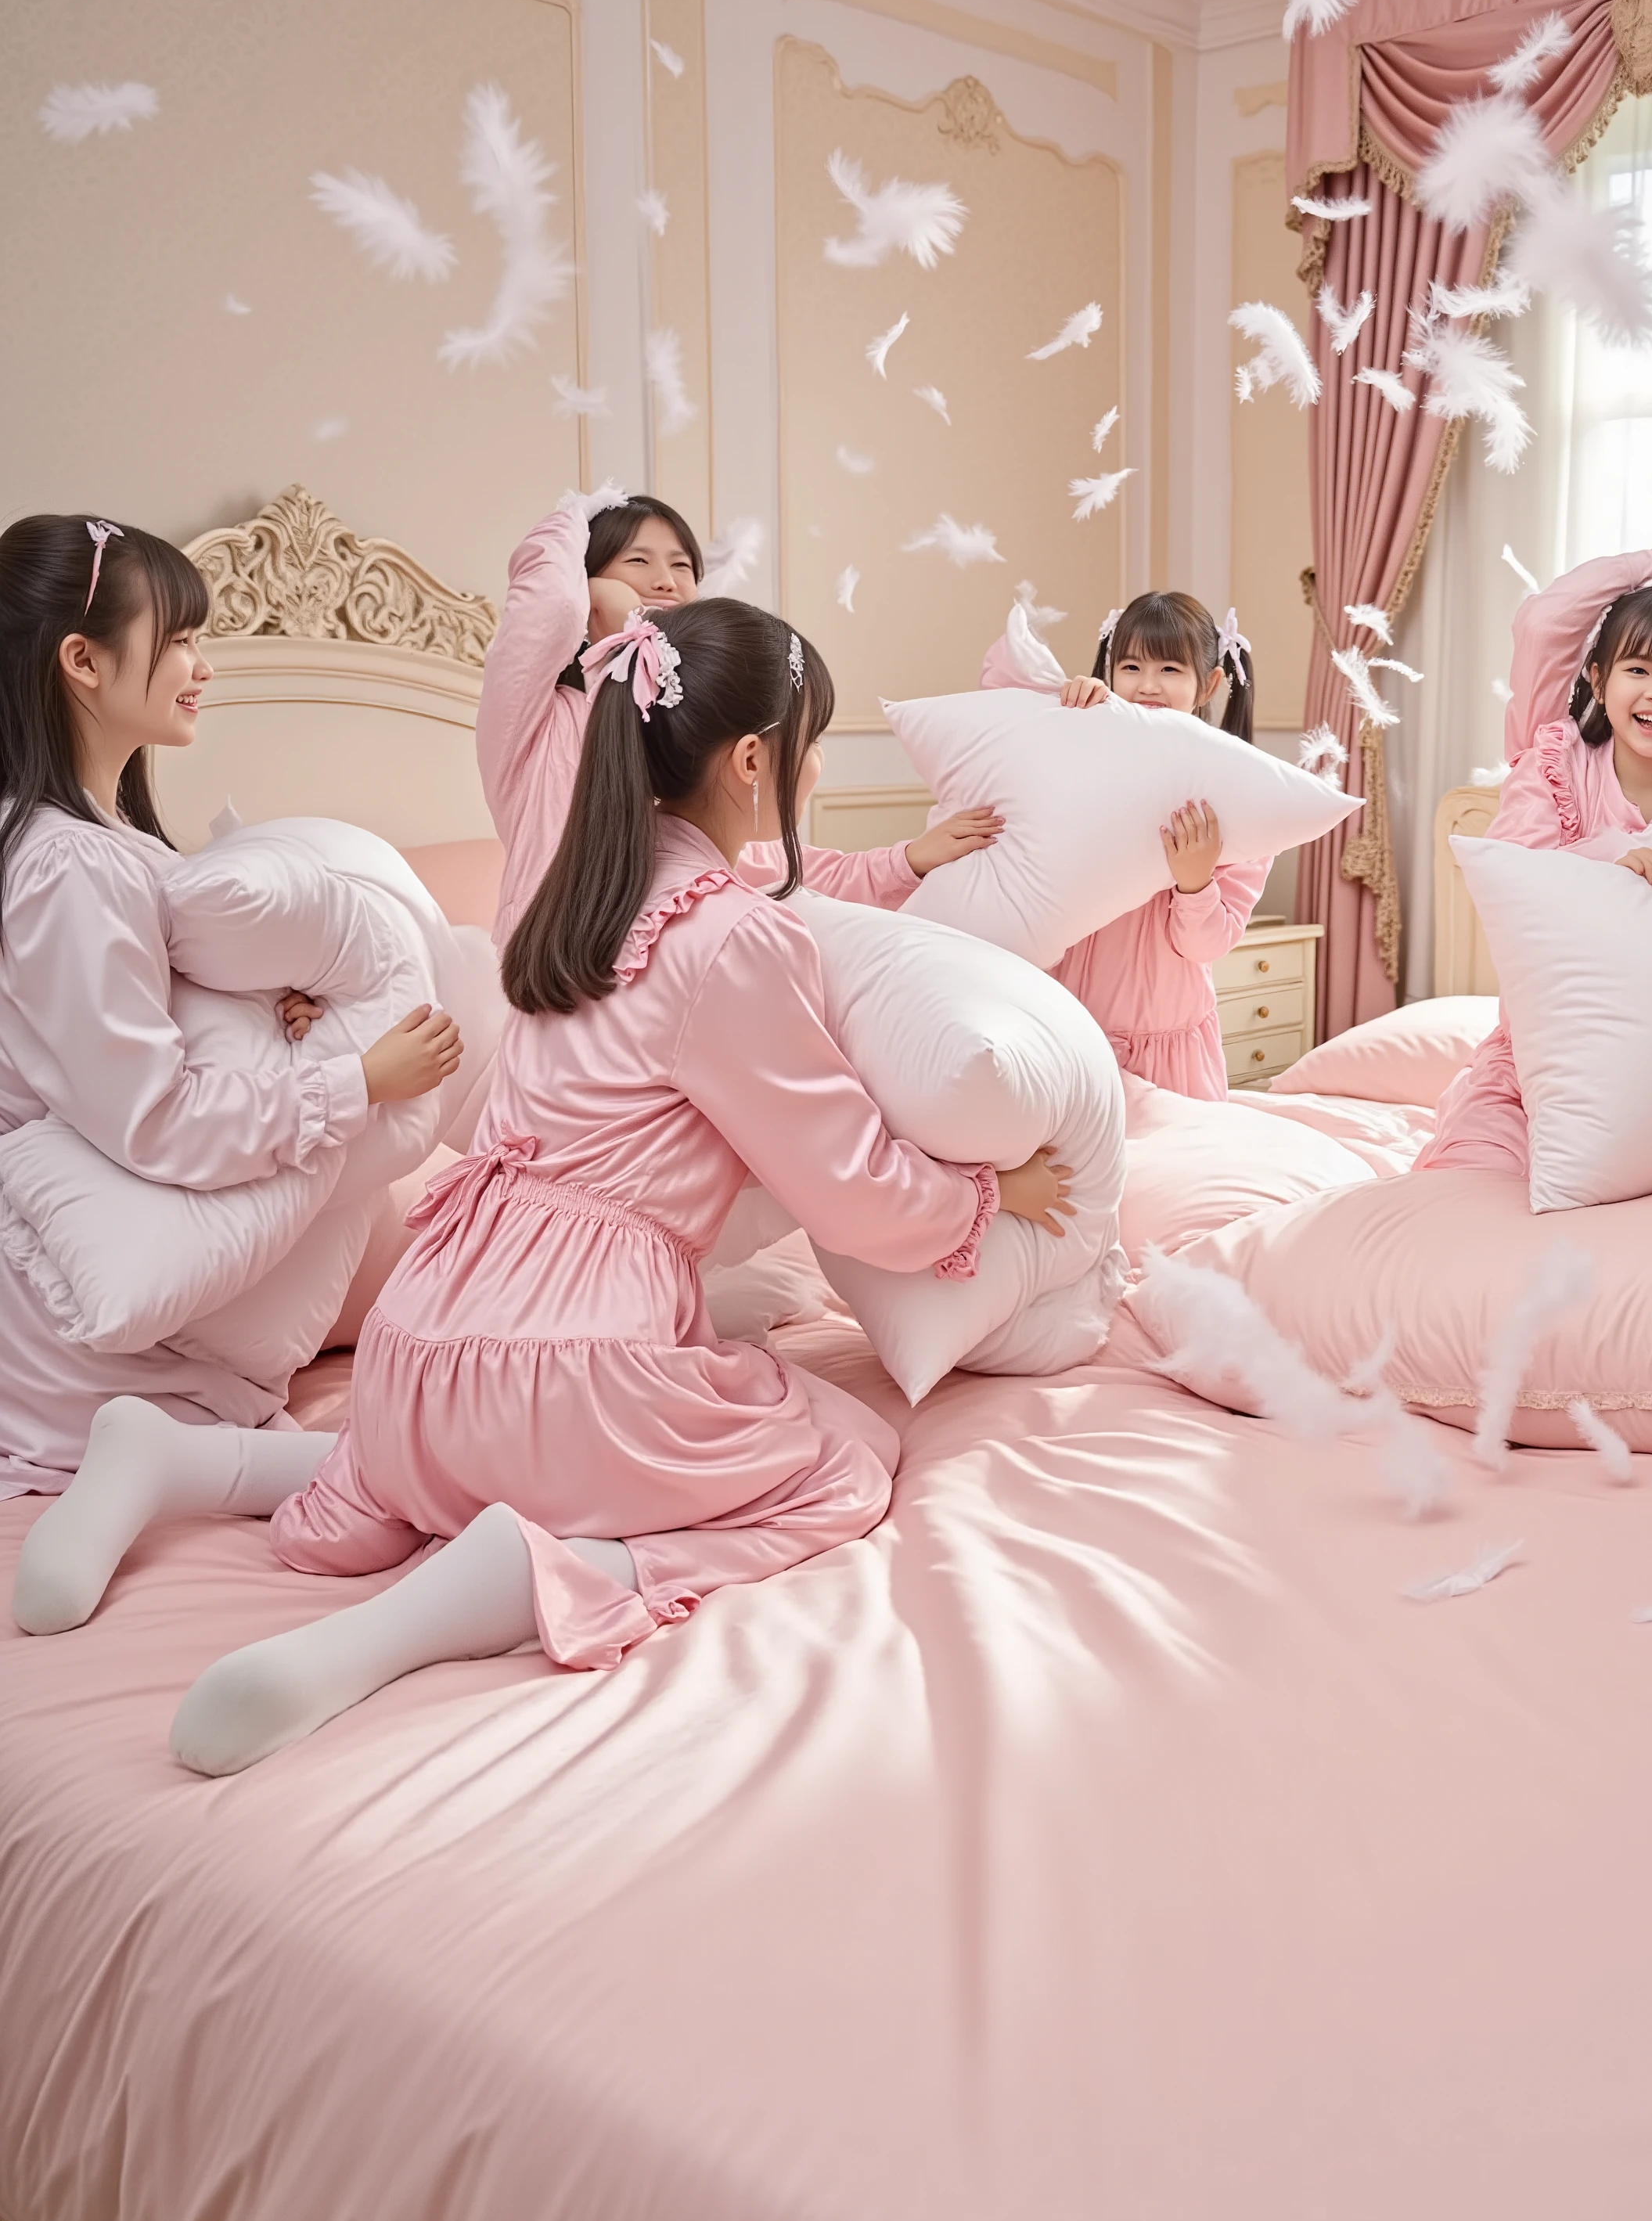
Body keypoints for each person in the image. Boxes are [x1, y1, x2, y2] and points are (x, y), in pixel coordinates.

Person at [20, 597, 1074, 1772]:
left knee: (441, 1444)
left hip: (418, 1350)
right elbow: (844, 1179)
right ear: (752, 761)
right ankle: (488, 1589)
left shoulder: (561, 907)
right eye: (811, 743)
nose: (821, 768)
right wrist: (978, 1198)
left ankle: (177, 1458)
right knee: (839, 1462)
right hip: (577, 1366)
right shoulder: (731, 940)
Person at [0, 514, 458, 1518]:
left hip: (141, 1300)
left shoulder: (103, 843)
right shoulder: (67, 865)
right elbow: (151, 1120)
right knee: (425, 1464)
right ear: (82, 660)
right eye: (179, 642)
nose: (202, 667)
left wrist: (268, 1004)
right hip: (97, 1330)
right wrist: (356, 1081)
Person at [481, 488, 1001, 948]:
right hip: (550, 987)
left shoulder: (681, 742)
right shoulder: (537, 723)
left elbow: (776, 865)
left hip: (664, 999)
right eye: (637, 561)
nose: (665, 580)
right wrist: (583, 522)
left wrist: (906, 861)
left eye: (682, 566)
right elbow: (543, 608)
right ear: (586, 579)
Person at [1417, 540, 1652, 1175]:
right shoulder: (1554, 764)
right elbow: (1544, 621)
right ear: (1597, 678)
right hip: (1536, 1062)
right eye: (1638, 669)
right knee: (1469, 1190)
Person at [981, 589, 1270, 1100]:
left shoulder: (1239, 795)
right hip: (1068, 1026)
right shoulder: (1084, 752)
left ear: (1210, 684)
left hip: (1166, 1048)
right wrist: (1065, 716)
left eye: (1170, 670)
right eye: (1131, 667)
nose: (1147, 686)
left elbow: (1207, 945)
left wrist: (1195, 882)